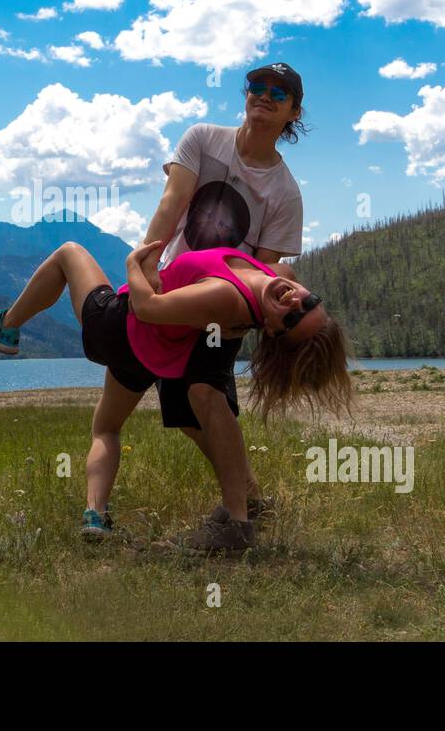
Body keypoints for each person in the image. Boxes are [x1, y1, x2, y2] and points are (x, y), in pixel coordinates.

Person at [0, 239, 352, 552]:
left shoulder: (228, 298)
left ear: (271, 331)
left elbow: (147, 307)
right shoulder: (276, 279)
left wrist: (134, 264)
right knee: (106, 427)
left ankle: (6, 325)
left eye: (292, 318)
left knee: (69, 253)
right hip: (155, 357)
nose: (295, 302)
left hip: (117, 328)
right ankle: (94, 517)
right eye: (310, 303)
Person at [142, 62, 308, 541]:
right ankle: (251, 492)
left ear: (293, 113)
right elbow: (172, 204)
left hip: (223, 304)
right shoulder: (202, 140)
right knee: (179, 406)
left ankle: (237, 521)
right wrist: (148, 265)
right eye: (258, 86)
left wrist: (241, 316)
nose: (265, 95)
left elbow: (263, 266)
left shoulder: (285, 193)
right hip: (173, 287)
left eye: (280, 93)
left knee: (205, 394)